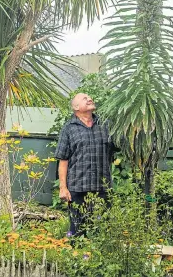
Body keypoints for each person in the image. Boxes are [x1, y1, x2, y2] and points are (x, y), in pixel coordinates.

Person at [54, 92, 116, 238]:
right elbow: (63, 160)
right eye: (84, 98)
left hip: (102, 188)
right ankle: (77, 259)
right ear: (76, 107)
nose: (89, 99)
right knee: (77, 232)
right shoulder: (69, 128)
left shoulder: (105, 125)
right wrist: (63, 188)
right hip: (77, 189)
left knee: (103, 233)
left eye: (89, 97)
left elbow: (118, 148)